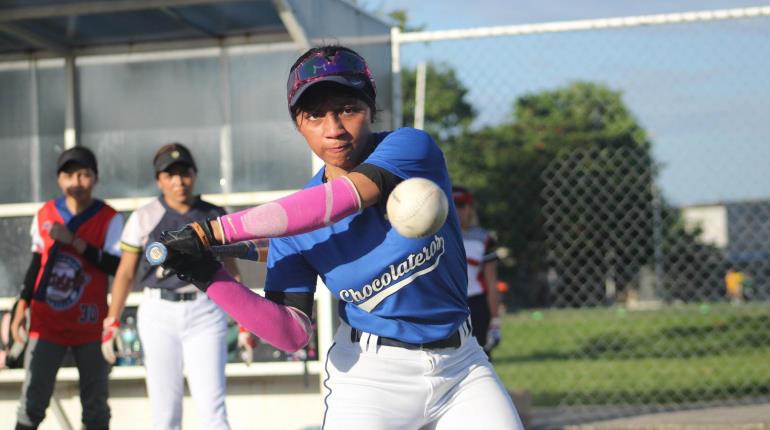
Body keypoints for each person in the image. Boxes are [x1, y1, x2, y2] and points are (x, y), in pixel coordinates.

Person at [157, 45, 523, 429]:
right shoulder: (289, 229)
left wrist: (212, 231)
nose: (333, 129)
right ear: (298, 124)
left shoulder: (410, 149)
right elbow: (291, 333)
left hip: (461, 366)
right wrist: (208, 276)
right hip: (371, 379)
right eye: (314, 115)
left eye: (348, 109)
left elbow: (344, 199)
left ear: (370, 110)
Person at [102, 143, 240, 430]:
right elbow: (126, 273)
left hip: (205, 309)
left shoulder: (215, 214)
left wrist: (247, 323)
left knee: (213, 410)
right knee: (165, 412)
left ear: (194, 174)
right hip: (158, 311)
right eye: (170, 174)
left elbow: (232, 271)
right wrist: (112, 320)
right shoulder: (144, 216)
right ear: (159, 180)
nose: (178, 181)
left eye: (184, 172)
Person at [12, 146, 123, 430]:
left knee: (95, 403)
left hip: (90, 319)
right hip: (47, 319)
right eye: (70, 175)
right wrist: (21, 304)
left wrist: (74, 241)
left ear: (95, 178)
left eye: (84, 175)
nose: (77, 183)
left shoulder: (109, 217)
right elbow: (36, 262)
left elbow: (116, 266)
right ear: (60, 180)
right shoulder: (46, 213)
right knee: (33, 399)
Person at [452, 186, 503, 357]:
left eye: (461, 206)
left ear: (470, 209)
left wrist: (495, 321)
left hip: (476, 305)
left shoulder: (484, 238)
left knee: (480, 358)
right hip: (447, 303)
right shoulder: (434, 235)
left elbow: (491, 281)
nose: (457, 211)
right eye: (452, 205)